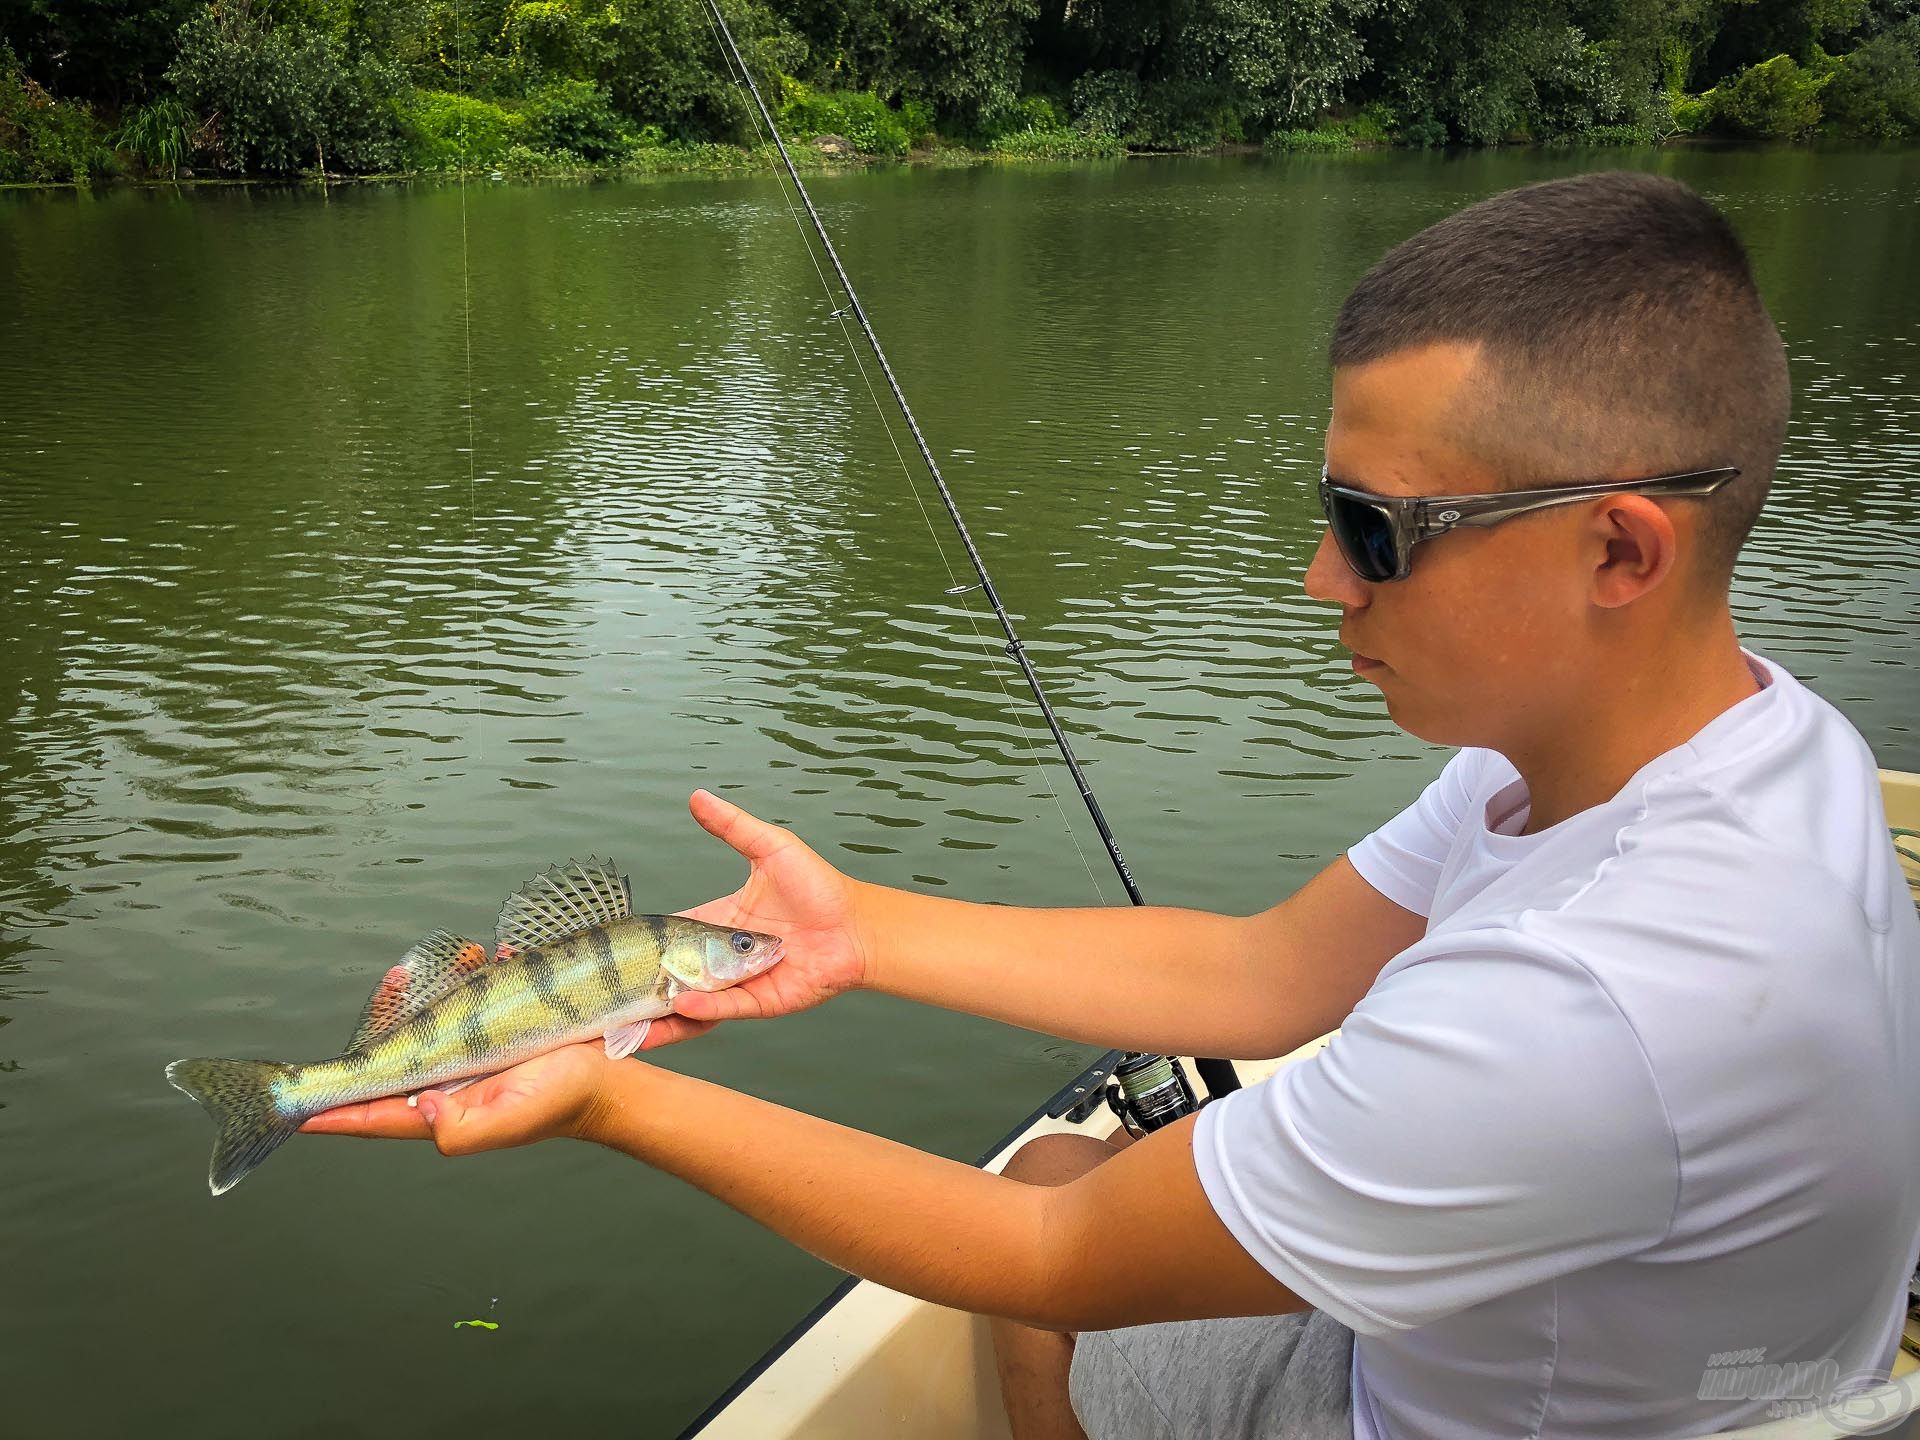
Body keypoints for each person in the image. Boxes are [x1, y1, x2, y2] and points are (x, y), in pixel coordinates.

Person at [305, 171, 1920, 1439]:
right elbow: (1264, 978)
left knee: (1039, 1227)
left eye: (1375, 530)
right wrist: (851, 928)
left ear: (1619, 550)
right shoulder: (1736, 745)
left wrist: (605, 1094)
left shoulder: (1603, 1006)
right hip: (1614, 1359)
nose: (1317, 583)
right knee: (1070, 1174)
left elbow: (1048, 1271)